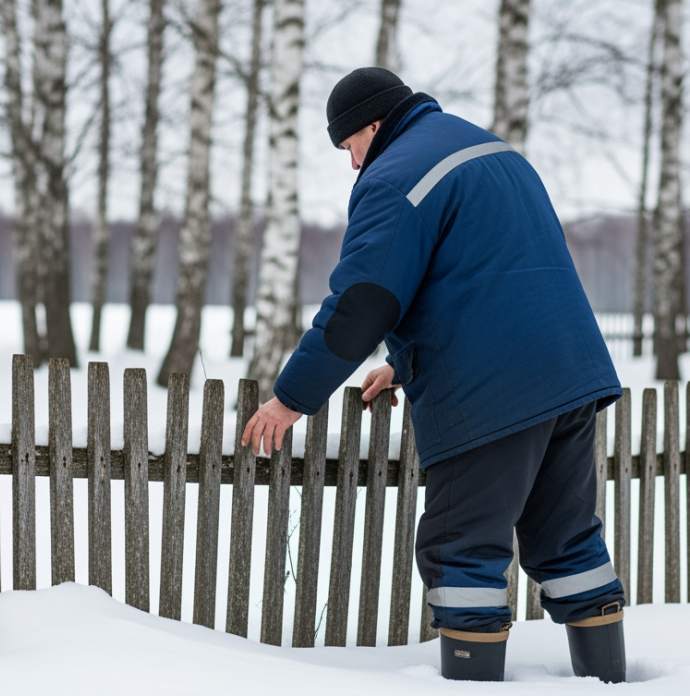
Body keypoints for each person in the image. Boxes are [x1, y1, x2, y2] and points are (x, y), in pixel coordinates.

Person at [241, 67, 627, 683]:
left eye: (349, 147)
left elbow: (364, 301)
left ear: (372, 124)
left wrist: (291, 398)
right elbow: (491, 273)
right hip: (569, 374)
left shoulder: (395, 179)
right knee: (569, 543)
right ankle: (611, 681)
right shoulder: (493, 151)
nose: (352, 165)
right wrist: (407, 360)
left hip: (492, 394)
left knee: (462, 553)